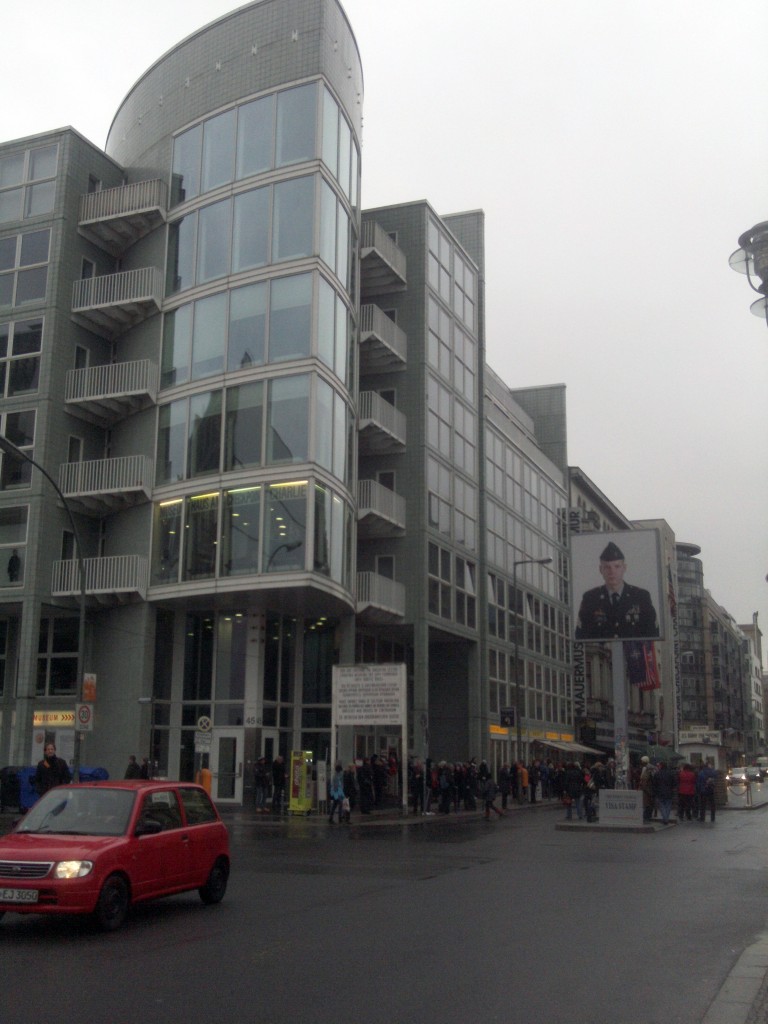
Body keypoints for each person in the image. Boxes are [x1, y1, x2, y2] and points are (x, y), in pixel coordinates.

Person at [575, 541, 659, 640]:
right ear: (600, 569)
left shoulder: (641, 597)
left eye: (617, 566)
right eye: (607, 567)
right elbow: (581, 636)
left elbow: (653, 634)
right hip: (601, 654)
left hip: (633, 654)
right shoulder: (590, 598)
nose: (612, 571)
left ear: (624, 568)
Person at [639, 755, 656, 822]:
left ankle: (646, 817)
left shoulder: (647, 769)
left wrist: (643, 786)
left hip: (647, 789)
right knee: (649, 803)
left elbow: (644, 779)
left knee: (647, 804)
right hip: (650, 788)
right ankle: (648, 816)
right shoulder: (653, 768)